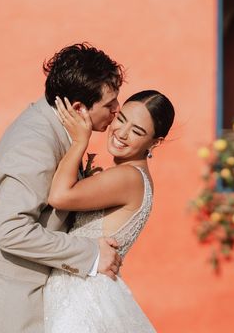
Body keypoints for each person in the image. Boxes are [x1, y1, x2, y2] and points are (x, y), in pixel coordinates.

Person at [0, 43, 125, 333]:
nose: (116, 110)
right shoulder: (34, 144)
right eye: (109, 104)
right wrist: (90, 253)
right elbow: (11, 231)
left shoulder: (52, 128)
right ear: (78, 108)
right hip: (2, 311)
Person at [44, 90, 175, 332]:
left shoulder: (127, 177)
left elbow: (59, 196)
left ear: (154, 142)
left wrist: (79, 142)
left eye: (137, 131)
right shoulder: (136, 177)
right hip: (84, 290)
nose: (122, 134)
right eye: (121, 119)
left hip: (81, 297)